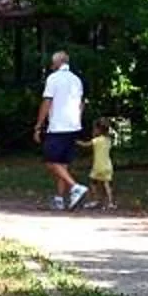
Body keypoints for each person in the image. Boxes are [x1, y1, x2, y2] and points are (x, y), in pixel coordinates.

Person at [33, 49, 87, 209]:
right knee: (62, 164)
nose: (51, 65)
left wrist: (38, 125)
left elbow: (47, 102)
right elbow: (81, 103)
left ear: (57, 63)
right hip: (73, 125)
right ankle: (59, 199)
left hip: (58, 126)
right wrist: (77, 119)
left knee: (50, 161)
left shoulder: (53, 79)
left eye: (52, 62)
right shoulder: (77, 80)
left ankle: (75, 187)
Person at [86, 117, 118, 209]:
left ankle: (95, 200)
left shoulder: (96, 140)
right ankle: (110, 202)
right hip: (108, 165)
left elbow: (86, 145)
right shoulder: (108, 140)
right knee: (107, 184)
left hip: (97, 166)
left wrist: (76, 142)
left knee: (93, 182)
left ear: (98, 130)